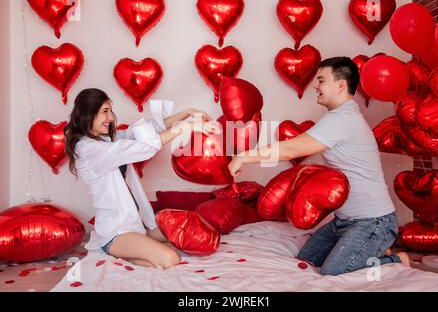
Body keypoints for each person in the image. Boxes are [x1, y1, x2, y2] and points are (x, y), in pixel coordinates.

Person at [228, 57, 410, 276]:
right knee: (305, 262)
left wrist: (243, 157)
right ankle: (373, 250)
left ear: (341, 85)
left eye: (322, 80)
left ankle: (394, 260)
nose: (316, 86)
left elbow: (292, 149)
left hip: (372, 222)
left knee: (332, 274)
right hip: (343, 221)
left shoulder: (342, 120)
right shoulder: (339, 117)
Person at [65, 88, 218, 268]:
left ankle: (139, 250)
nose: (111, 118)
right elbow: (144, 147)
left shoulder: (106, 140)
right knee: (171, 258)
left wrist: (185, 114)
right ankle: (122, 252)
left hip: (138, 223)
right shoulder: (88, 149)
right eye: (105, 112)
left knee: (189, 231)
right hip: (116, 232)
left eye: (110, 111)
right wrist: (186, 127)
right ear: (87, 114)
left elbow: (143, 133)